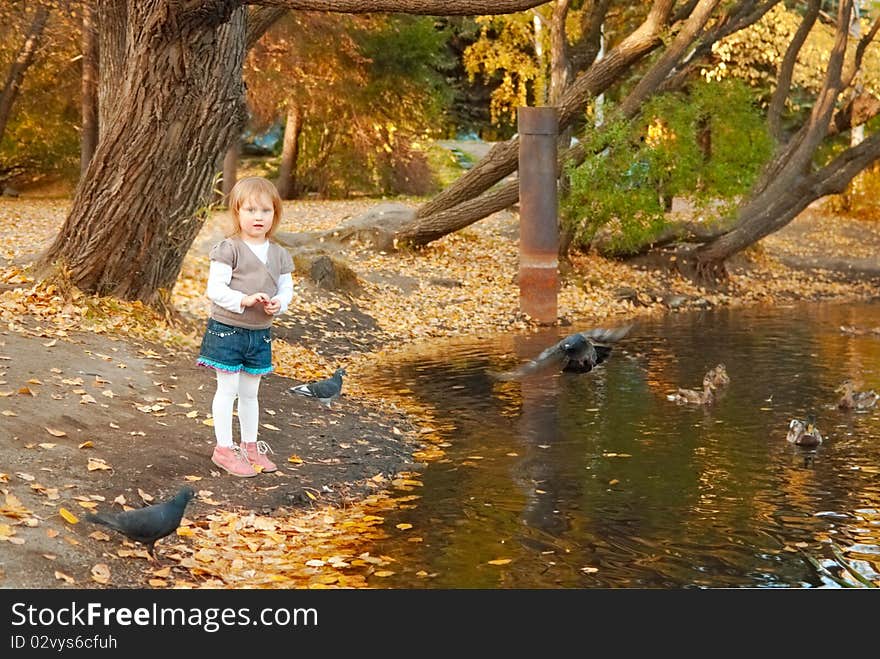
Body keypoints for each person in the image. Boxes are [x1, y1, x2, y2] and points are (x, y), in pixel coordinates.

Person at [196, 176, 294, 477]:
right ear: (237, 212)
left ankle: (249, 446)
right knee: (228, 390)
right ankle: (225, 449)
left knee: (251, 393)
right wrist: (245, 299)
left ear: (274, 215)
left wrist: (280, 303)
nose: (258, 217)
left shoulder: (279, 254)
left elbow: (286, 288)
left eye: (266, 211)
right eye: (251, 210)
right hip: (227, 330)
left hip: (259, 334)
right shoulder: (229, 249)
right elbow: (215, 289)